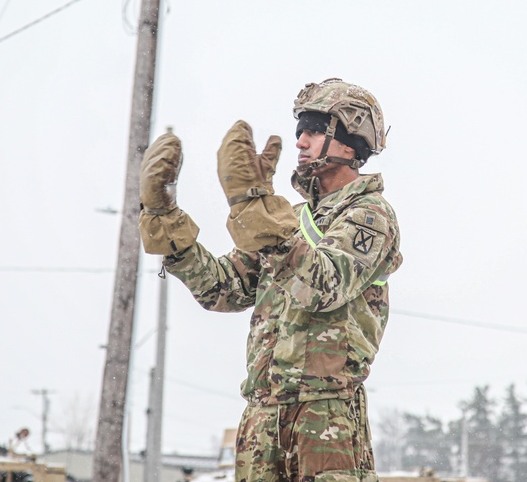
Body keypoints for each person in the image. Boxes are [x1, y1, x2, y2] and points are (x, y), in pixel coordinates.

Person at [138, 78, 402, 482]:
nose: (301, 141)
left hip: (323, 414)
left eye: (314, 130)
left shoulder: (369, 216)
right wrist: (167, 223)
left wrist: (258, 210)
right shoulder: (291, 220)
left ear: (350, 141)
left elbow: (322, 286)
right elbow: (223, 288)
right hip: (262, 413)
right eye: (300, 131)